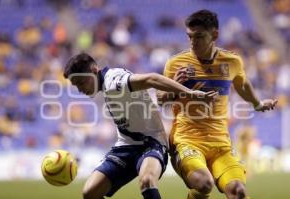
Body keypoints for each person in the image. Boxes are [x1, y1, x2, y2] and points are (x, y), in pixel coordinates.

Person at [158, 10, 278, 199]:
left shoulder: (232, 62)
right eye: (189, 37)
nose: (193, 42)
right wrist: (176, 86)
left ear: (215, 35)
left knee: (238, 192)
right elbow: (160, 99)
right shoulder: (175, 63)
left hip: (220, 144)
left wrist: (257, 104)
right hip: (186, 141)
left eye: (199, 36)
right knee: (205, 184)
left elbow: (243, 85)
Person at [63, 52, 217, 199]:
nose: (80, 90)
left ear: (94, 70)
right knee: (89, 193)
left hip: (152, 143)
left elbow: (151, 78)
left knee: (147, 181)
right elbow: (148, 99)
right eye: (77, 86)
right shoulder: (106, 86)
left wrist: (189, 93)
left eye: (81, 83)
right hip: (125, 146)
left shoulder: (113, 81)